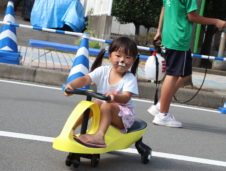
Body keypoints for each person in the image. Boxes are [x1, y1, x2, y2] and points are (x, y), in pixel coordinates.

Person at [147, 0, 226, 128]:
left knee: (185, 75)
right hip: (179, 39)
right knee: (172, 75)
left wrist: (159, 30)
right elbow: (192, 16)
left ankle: (161, 105)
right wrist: (216, 21)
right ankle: (162, 115)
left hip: (170, 36)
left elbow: (164, 8)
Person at [64, 37, 140, 148]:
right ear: (110, 56)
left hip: (123, 116)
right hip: (106, 107)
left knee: (106, 105)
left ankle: (100, 136)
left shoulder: (130, 78)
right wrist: (72, 85)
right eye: (118, 56)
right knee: (94, 104)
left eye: (127, 57)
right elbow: (86, 79)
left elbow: (126, 97)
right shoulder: (103, 71)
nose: (123, 60)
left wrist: (114, 97)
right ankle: (71, 129)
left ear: (133, 60)